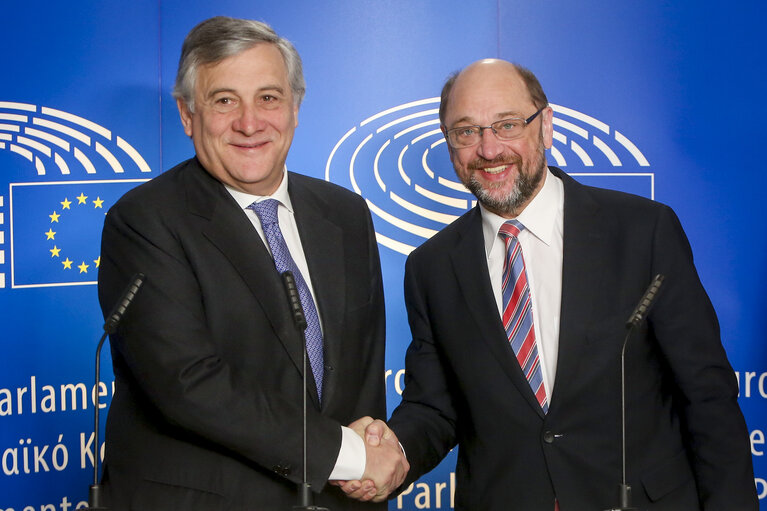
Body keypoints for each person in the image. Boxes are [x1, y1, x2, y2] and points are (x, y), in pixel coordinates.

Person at [343, 59, 758, 510]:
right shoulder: (432, 266)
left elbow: (707, 397)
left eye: (507, 125)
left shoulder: (643, 231)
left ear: (546, 126)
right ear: (449, 143)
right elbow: (436, 407)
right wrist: (394, 450)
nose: (488, 149)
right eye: (466, 131)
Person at [97, 16, 406, 510]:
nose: (249, 122)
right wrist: (347, 455)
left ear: (295, 107)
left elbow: (362, 377)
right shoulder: (144, 221)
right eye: (224, 100)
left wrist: (370, 468)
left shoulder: (345, 213)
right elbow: (189, 384)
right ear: (187, 114)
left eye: (269, 97)